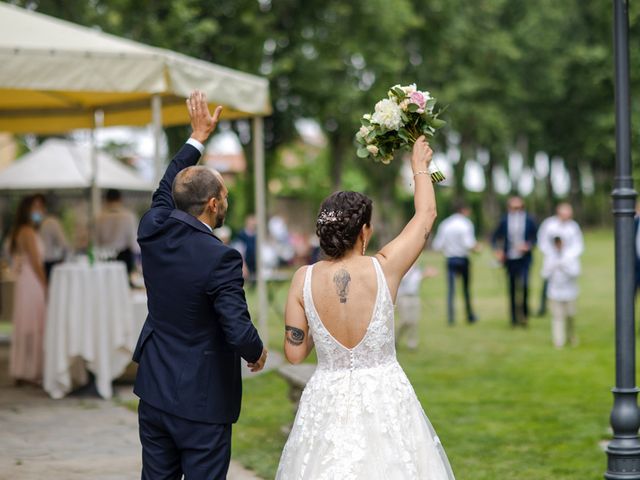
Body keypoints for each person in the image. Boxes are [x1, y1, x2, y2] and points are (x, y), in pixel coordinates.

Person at [276, 137, 455, 479]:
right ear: (364, 231)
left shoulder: (303, 279)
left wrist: (318, 319)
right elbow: (427, 215)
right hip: (385, 395)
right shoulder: (384, 268)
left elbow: (295, 354)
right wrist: (420, 165)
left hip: (326, 399)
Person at [133, 91, 267, 480]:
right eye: (223, 195)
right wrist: (255, 352)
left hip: (155, 387)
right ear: (212, 203)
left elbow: (164, 186)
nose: (226, 201)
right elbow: (236, 325)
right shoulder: (220, 257)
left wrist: (197, 137)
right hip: (202, 400)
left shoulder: (152, 228)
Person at [9, 195, 47, 385]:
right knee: (33, 324)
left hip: (25, 280)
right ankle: (31, 371)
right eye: (35, 207)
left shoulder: (21, 231)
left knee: (27, 324)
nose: (39, 211)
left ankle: (23, 369)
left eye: (41, 207)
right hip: (32, 281)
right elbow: (35, 261)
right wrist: (45, 284)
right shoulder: (28, 232)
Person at [491, 196, 537, 327]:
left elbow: (535, 238)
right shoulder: (504, 220)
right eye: (513, 208)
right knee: (511, 288)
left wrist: (528, 245)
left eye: (518, 208)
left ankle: (524, 315)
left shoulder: (529, 220)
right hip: (510, 259)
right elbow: (495, 238)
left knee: (524, 286)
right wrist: (498, 251)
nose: (516, 210)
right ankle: (513, 318)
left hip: (524, 259)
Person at [431, 202, 479, 325]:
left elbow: (437, 245)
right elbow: (469, 244)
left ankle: (451, 317)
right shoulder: (466, 224)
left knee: (451, 290)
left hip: (450, 259)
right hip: (463, 259)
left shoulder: (445, 224)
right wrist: (477, 249)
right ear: (463, 210)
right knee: (466, 289)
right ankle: (469, 315)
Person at [536, 203, 584, 316]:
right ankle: (544, 306)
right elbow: (542, 240)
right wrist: (552, 253)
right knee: (548, 281)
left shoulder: (573, 226)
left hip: (568, 260)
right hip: (551, 258)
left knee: (568, 283)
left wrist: (567, 256)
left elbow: (578, 244)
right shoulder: (549, 224)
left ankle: (568, 307)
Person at [541, 236, 580, 348]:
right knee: (557, 317)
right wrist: (552, 267)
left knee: (570, 315)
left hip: (569, 292)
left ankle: (571, 336)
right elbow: (544, 274)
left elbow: (576, 272)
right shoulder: (549, 257)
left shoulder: (570, 256)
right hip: (555, 292)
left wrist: (564, 266)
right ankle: (559, 341)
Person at [95, 188, 139, 274]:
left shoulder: (99, 218)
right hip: (123, 258)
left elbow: (96, 241)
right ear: (120, 199)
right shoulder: (128, 216)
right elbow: (133, 242)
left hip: (104, 258)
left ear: (106, 200)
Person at [31, 194, 68, 280]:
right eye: (33, 207)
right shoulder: (31, 227)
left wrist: (61, 263)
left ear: (44, 207)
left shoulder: (51, 223)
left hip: (50, 264)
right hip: (36, 266)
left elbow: (64, 244)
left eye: (38, 206)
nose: (35, 210)